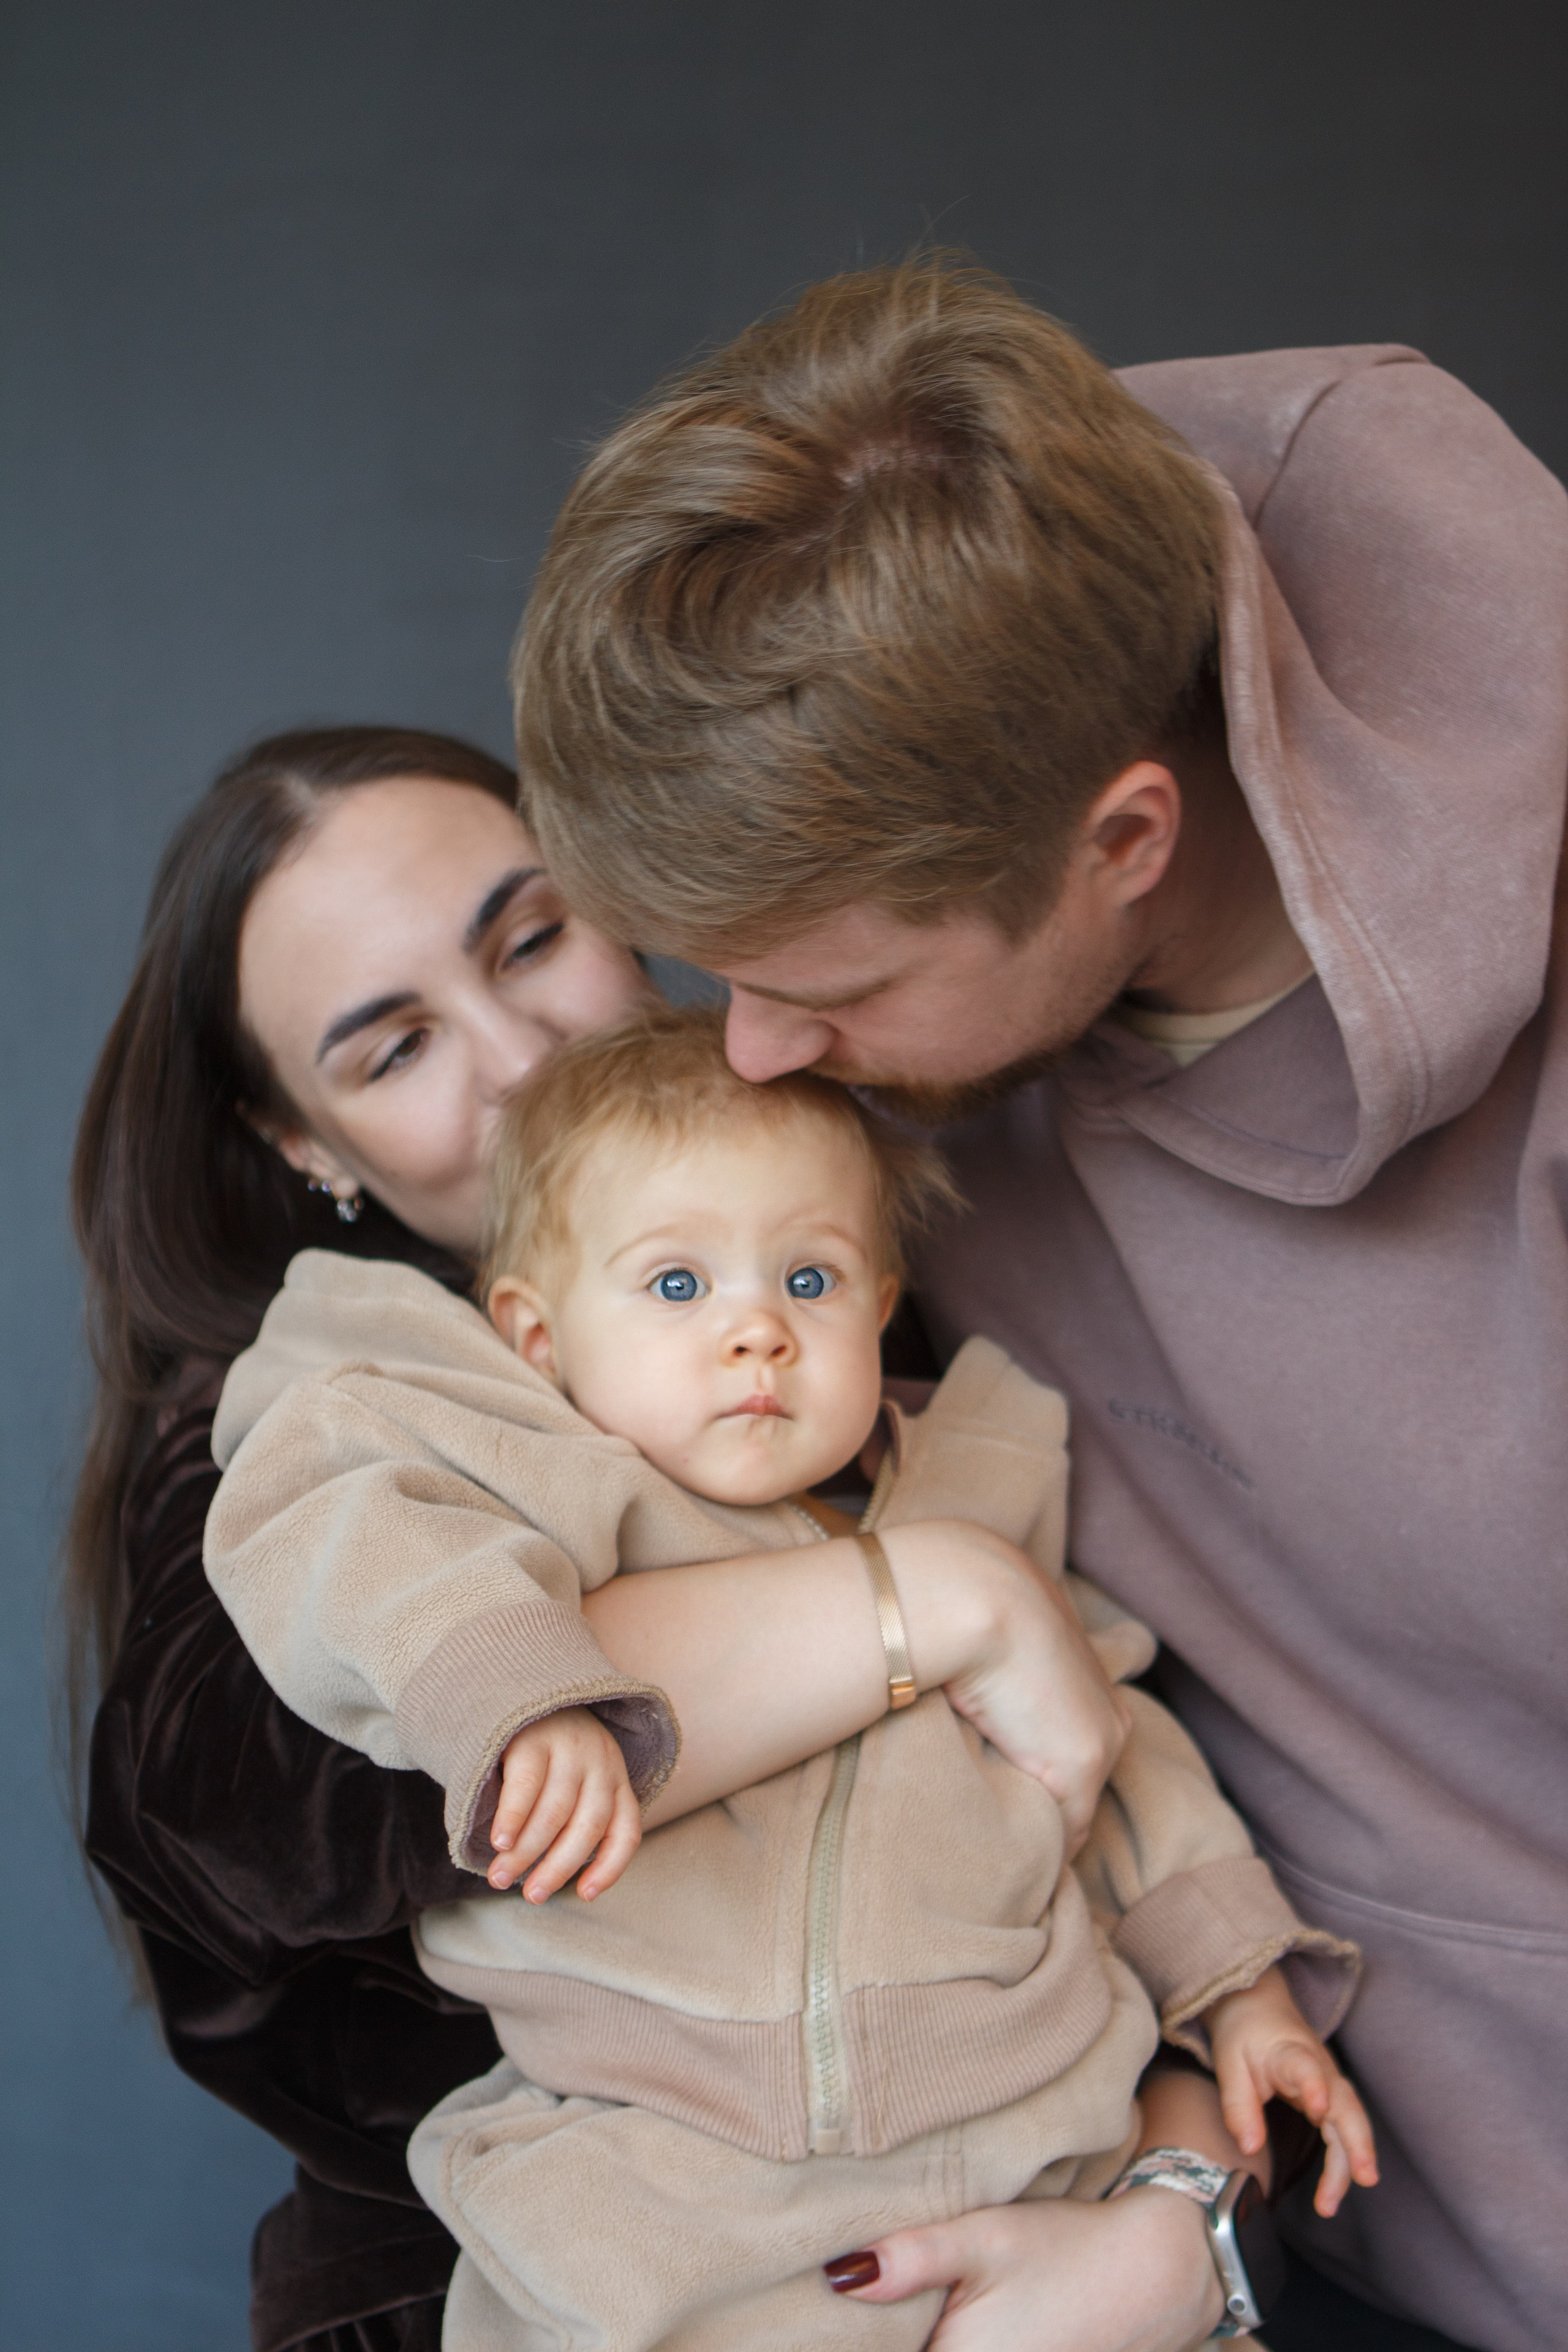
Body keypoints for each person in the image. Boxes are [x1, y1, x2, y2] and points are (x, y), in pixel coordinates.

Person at [505, 260, 1568, 2352]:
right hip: (1250, 2205)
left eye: (830, 991)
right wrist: (1198, 2208)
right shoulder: (925, 806)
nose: (750, 1069)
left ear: (1125, 844)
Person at [69, 728, 1142, 2352]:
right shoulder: (309, 1410)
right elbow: (265, 1795)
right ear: (302, 1143)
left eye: (533, 938)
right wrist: (943, 1601)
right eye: (392, 1047)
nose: (518, 1053)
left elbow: (1123, 1793)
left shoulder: (825, 1299)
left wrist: (1186, 2210)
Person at [202, 1005, 1370, 2351]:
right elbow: (350, 1525)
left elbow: (1120, 1755)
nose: (757, 1334)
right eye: (679, 1287)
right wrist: (519, 1688)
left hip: (1037, 2133)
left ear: (880, 1303)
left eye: (807, 1283)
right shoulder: (527, 1481)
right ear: (536, 1340)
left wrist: (1241, 1989)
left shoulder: (974, 1498)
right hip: (670, 2190)